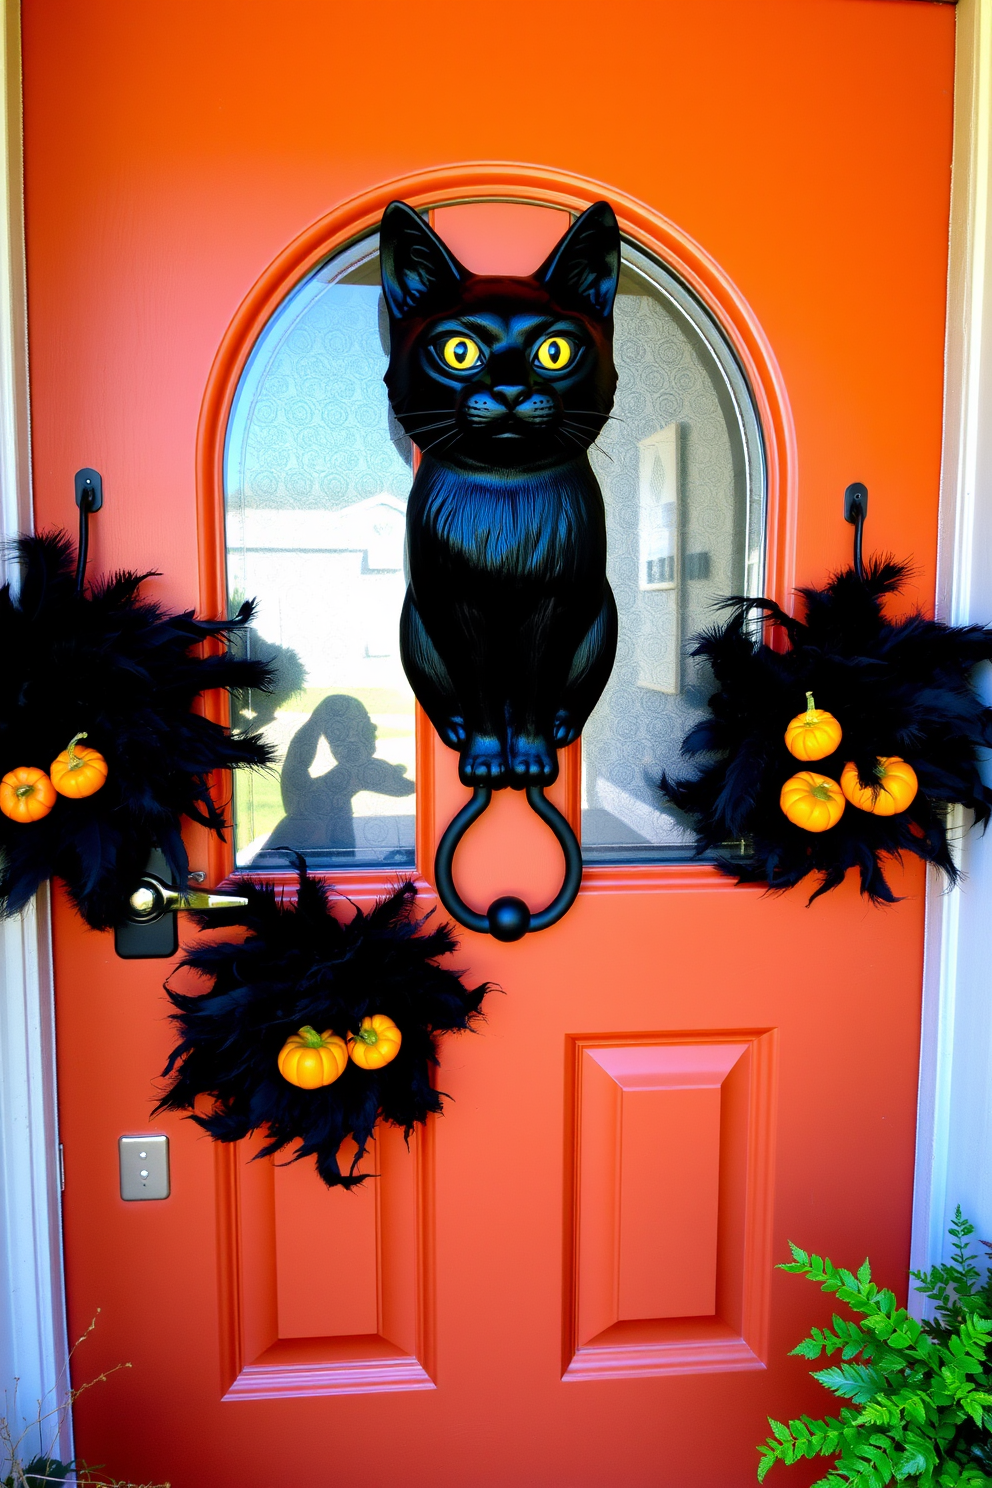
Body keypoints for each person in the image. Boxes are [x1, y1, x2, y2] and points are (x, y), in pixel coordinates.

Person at [265, 693, 414, 853]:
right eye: (365, 721)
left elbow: (295, 762)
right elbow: (404, 787)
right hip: (305, 863)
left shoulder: (307, 790)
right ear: (349, 735)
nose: (373, 727)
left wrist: (316, 721)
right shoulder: (360, 770)